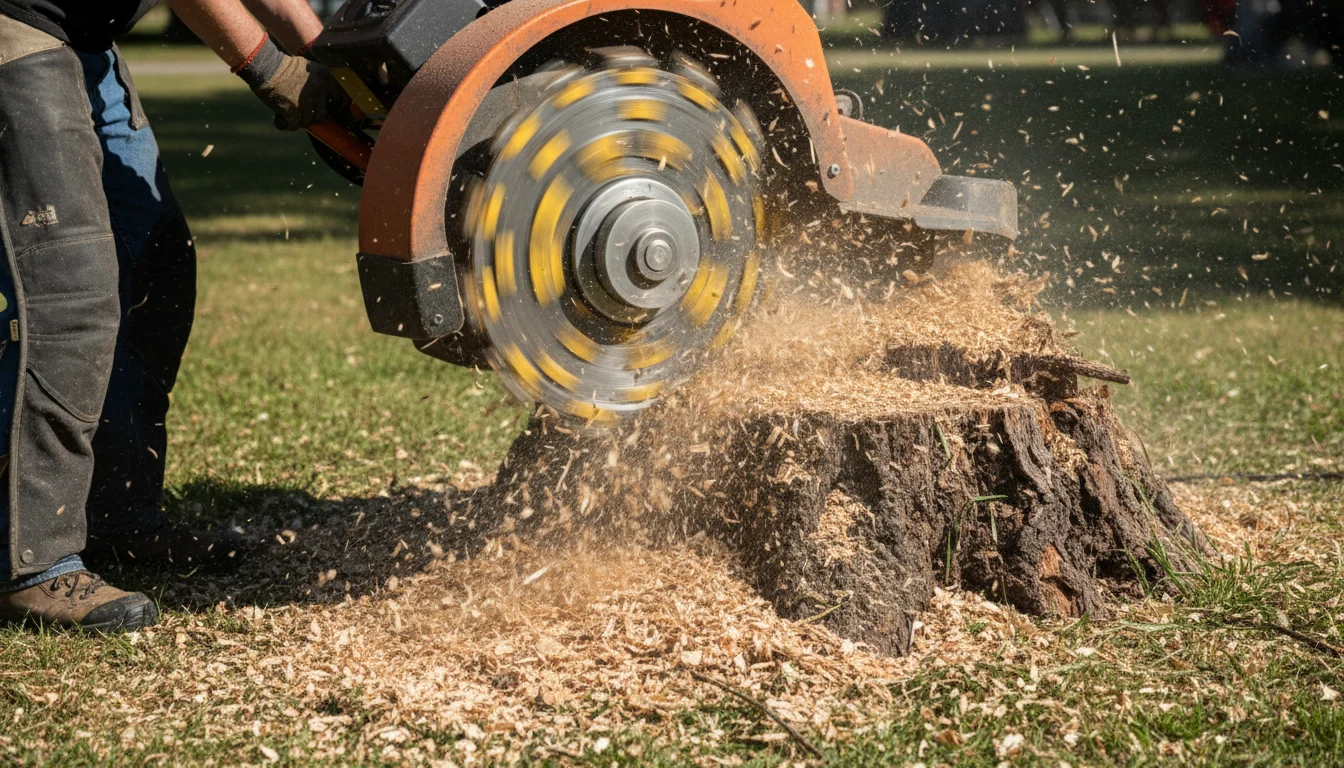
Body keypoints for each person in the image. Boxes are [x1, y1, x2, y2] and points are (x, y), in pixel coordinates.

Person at [0, 0, 347, 633]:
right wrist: (273, 68)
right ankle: (31, 562)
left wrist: (329, 55)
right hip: (18, 24)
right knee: (67, 291)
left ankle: (117, 519)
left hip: (84, 37)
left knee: (156, 266)